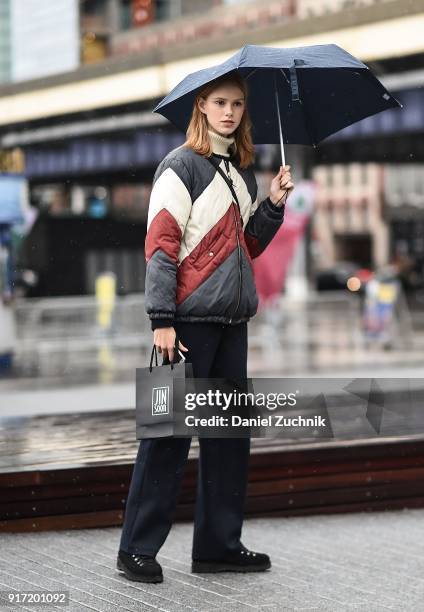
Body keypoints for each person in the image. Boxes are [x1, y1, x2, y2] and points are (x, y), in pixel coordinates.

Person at [117, 71, 294, 583]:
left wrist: (273, 206)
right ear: (201, 106)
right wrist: (161, 320)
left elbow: (245, 250)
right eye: (220, 102)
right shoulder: (179, 168)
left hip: (232, 324)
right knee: (166, 438)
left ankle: (218, 545)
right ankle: (137, 548)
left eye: (237, 104)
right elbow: (161, 246)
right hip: (187, 325)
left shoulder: (242, 175)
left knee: (229, 440)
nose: (229, 112)